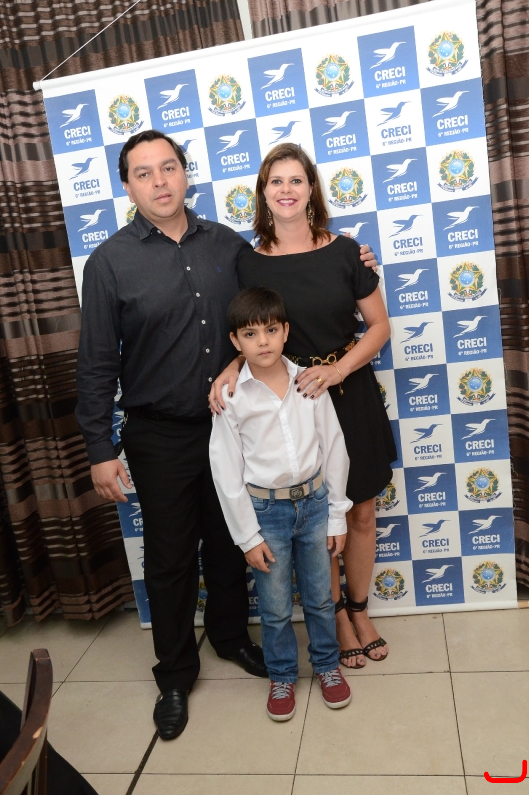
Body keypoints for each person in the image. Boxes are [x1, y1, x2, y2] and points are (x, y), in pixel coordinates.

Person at [76, 130, 376, 740]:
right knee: (169, 558)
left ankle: (232, 638)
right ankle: (174, 675)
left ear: (185, 174)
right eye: (143, 173)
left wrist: (354, 262)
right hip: (159, 433)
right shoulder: (108, 262)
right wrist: (100, 449)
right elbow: (97, 361)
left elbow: (265, 306)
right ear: (127, 186)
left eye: (169, 168)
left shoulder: (228, 246)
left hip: (236, 427)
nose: (159, 182)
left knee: (229, 545)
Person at [210, 143, 397, 670]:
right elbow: (249, 328)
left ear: (311, 188)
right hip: (291, 403)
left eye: (296, 180)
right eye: (276, 181)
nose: (287, 190)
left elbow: (379, 327)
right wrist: (231, 367)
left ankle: (359, 610)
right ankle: (334, 618)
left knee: (361, 510)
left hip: (348, 391)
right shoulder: (247, 262)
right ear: (263, 192)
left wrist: (338, 371)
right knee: (315, 520)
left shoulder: (347, 252)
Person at [210, 286, 352, 720]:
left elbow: (334, 448)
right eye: (250, 334)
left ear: (286, 331)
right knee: (274, 608)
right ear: (235, 342)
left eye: (271, 330)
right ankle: (283, 674)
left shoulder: (309, 381)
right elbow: (226, 469)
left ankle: (326, 666)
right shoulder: (231, 396)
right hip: (265, 514)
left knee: (320, 598)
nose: (263, 342)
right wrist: (247, 537)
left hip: (315, 505)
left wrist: (337, 515)